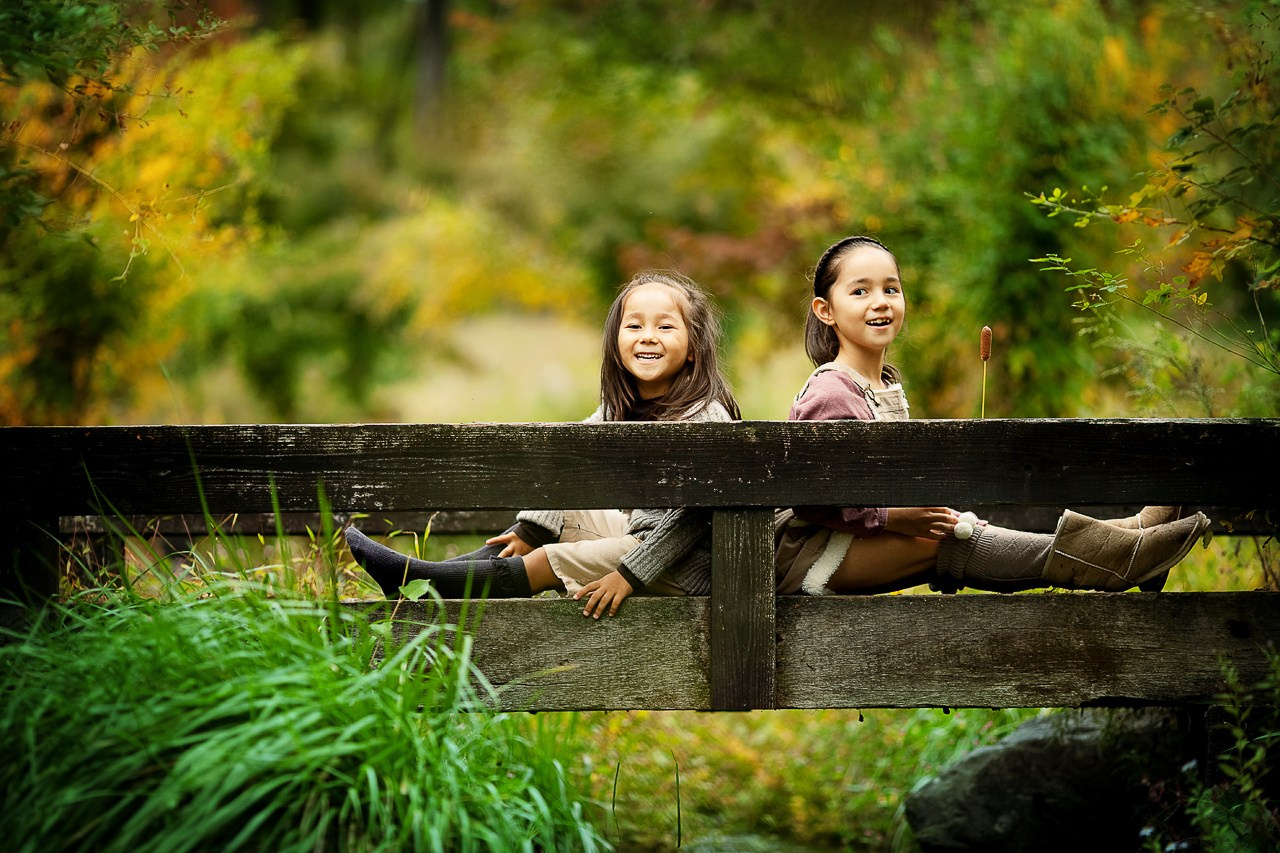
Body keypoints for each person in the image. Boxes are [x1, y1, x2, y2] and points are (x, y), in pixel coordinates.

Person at [775, 235, 1211, 596]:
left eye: (891, 289)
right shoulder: (832, 390)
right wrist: (894, 518)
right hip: (817, 553)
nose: (881, 302)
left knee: (961, 530)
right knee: (957, 539)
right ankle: (1118, 562)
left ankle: (1126, 538)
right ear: (825, 310)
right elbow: (810, 496)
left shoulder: (882, 384)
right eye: (860, 291)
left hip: (857, 540)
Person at [346, 271, 741, 617]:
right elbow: (569, 463)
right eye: (634, 326)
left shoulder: (705, 417)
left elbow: (690, 523)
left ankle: (420, 582)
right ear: (615, 342)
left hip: (687, 564)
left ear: (694, 347)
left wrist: (628, 575)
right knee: (548, 522)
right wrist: (532, 528)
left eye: (665, 327)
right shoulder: (618, 409)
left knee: (549, 560)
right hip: (642, 539)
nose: (648, 337)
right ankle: (419, 579)